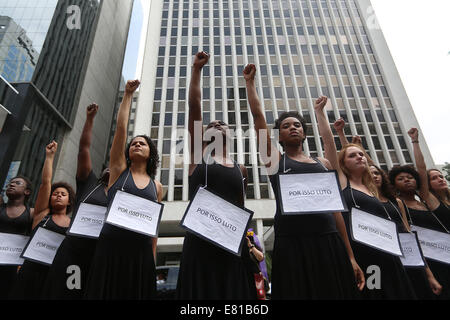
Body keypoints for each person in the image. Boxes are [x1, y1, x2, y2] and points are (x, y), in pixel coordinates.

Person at [244, 64, 364, 299]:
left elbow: (336, 213)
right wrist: (250, 84)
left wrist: (350, 256)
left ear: (305, 133)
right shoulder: (276, 163)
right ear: (279, 135)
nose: (292, 128)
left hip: (329, 242)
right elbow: (259, 118)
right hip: (292, 244)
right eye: (286, 126)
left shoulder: (323, 164)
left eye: (297, 125)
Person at [176, 52, 256, 300]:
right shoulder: (198, 158)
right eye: (212, 124)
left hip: (231, 243)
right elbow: (195, 107)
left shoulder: (240, 168)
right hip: (200, 241)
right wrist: (197, 70)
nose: (218, 123)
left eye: (223, 123)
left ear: (231, 135)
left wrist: (247, 243)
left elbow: (240, 207)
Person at [84, 80, 163, 300]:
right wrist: (128, 95)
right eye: (134, 143)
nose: (137, 144)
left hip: (140, 255)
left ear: (151, 153)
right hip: (110, 248)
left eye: (143, 143)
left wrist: (152, 261)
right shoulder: (118, 171)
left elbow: (153, 230)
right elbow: (121, 129)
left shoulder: (157, 187)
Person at [43, 104, 109, 300]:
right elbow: (84, 149)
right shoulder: (88, 182)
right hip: (73, 251)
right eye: (107, 167)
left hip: (99, 254)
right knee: (66, 291)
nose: (110, 169)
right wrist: (89, 119)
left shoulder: (120, 193)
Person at [388, 127, 450, 299]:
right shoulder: (399, 206)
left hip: (446, 255)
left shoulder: (427, 201)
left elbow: (421, 169)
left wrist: (415, 141)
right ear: (394, 185)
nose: (407, 179)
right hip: (426, 262)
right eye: (401, 178)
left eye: (410, 177)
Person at [10, 141, 75, 299]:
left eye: (63, 194)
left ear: (69, 201)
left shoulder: (73, 225)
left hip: (54, 273)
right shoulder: (42, 214)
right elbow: (46, 183)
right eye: (55, 193)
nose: (58, 195)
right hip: (30, 269)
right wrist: (49, 157)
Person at [370, 165, 441, 299]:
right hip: (378, 265)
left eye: (377, 173)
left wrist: (429, 274)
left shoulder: (396, 202)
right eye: (369, 173)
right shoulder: (361, 200)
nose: (374, 176)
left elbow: (409, 236)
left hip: (409, 260)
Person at [0, 176, 34, 299]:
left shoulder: (31, 213)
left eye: (17, 183)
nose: (11, 184)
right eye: (10, 183)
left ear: (27, 191)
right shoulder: (1, 207)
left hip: (14, 266)